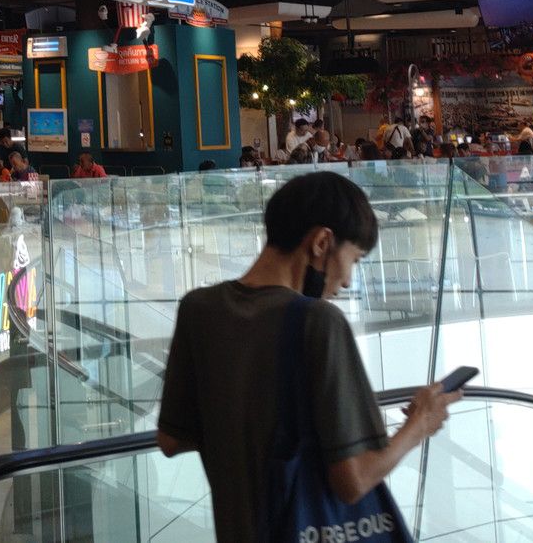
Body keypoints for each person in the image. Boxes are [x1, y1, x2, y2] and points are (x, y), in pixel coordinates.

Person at [156, 172, 459, 540]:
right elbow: (353, 480)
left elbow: (171, 440)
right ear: (321, 242)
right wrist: (420, 425)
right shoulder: (318, 322)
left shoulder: (198, 309)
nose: (347, 281)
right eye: (354, 259)